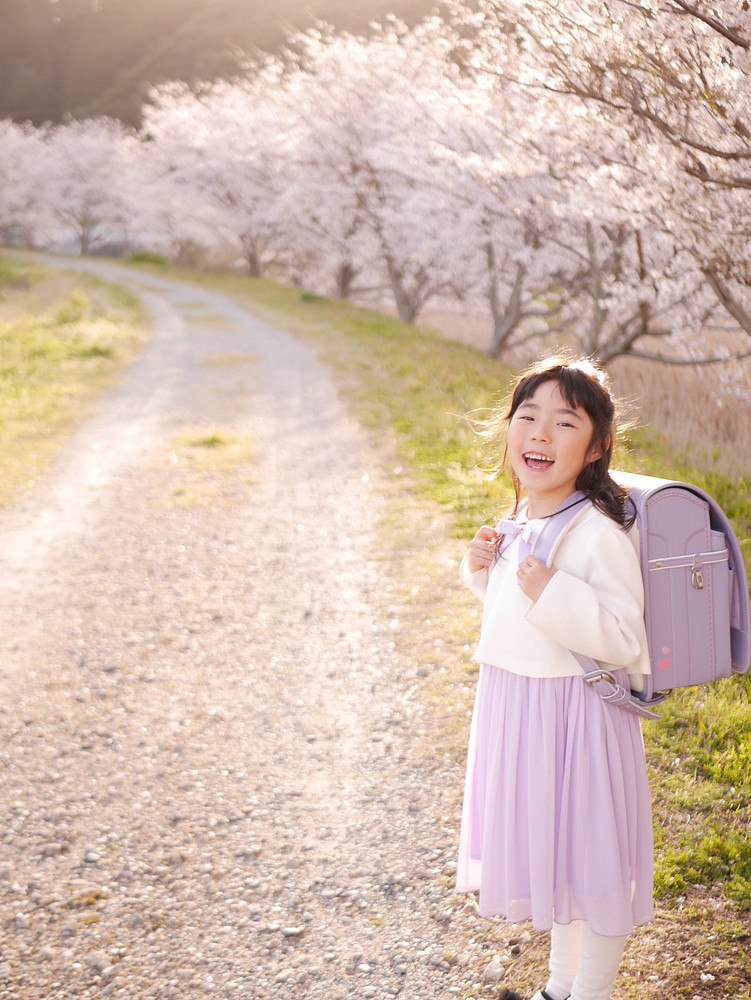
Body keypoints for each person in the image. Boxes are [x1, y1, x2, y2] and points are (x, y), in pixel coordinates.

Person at [455, 355, 654, 1000]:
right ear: (507, 430)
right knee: (559, 861)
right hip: (522, 708)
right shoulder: (522, 519)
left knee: (592, 864)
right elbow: (517, 617)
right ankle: (558, 986)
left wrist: (554, 589)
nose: (540, 435)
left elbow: (624, 637)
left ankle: (589, 991)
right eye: (528, 417)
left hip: (579, 716)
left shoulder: (597, 532)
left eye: (564, 423)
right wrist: (483, 570)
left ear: (595, 446)